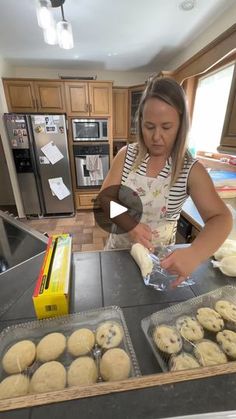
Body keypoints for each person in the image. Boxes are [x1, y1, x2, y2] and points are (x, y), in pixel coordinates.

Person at [100, 76, 232, 286]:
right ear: (140, 122)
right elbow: (105, 199)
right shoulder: (126, 156)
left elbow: (221, 218)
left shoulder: (189, 170)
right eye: (149, 126)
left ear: (181, 126)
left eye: (167, 127)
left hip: (159, 261)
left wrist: (194, 253)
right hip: (118, 254)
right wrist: (129, 223)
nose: (156, 137)